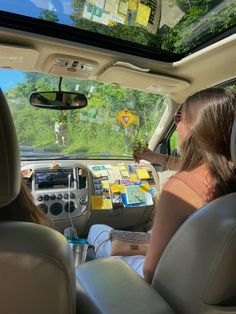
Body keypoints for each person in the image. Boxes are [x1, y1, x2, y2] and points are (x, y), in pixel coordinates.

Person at [87, 87, 236, 283]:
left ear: (194, 128)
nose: (178, 125)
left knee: (96, 230)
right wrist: (153, 157)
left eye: (179, 118)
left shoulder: (180, 188)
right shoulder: (227, 176)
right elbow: (194, 165)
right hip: (214, 285)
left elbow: (151, 272)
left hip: (170, 286)